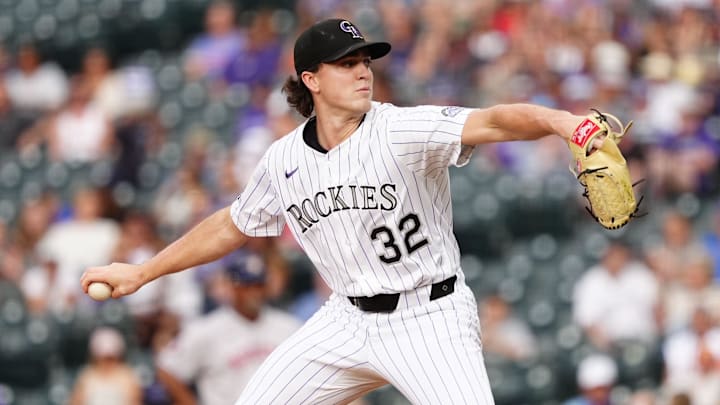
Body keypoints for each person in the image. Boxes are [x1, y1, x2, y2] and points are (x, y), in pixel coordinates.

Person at [82, 18, 602, 404]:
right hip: (346, 320)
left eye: (365, 62)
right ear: (311, 79)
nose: (363, 72)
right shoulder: (283, 159)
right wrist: (144, 271)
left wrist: (563, 123)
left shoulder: (399, 129)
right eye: (347, 63)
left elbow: (494, 121)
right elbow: (232, 225)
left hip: (430, 316)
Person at [155, 250, 300, 405]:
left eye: (258, 285)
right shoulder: (205, 330)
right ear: (232, 287)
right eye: (247, 286)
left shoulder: (289, 327)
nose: (254, 293)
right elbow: (167, 370)